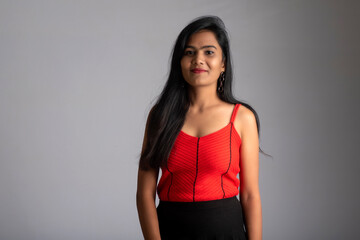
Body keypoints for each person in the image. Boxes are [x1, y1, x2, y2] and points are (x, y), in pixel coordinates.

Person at [136, 15, 262, 240]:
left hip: (227, 231)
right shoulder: (160, 116)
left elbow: (250, 195)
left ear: (223, 63)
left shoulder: (242, 118)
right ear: (180, 61)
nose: (198, 60)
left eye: (209, 52)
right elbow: (144, 194)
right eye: (189, 52)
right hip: (170, 230)